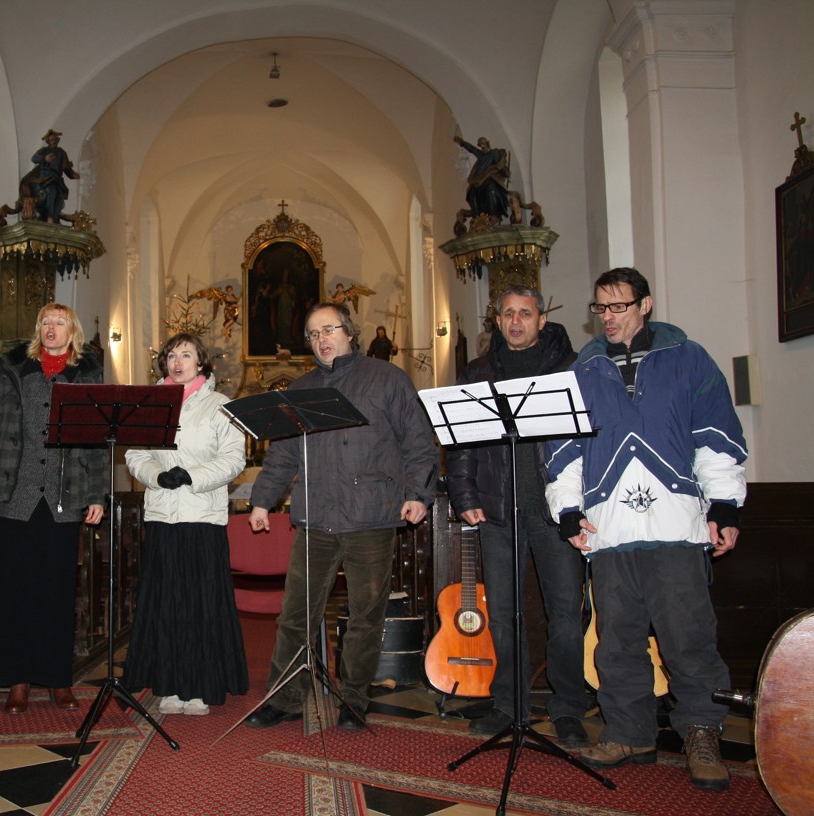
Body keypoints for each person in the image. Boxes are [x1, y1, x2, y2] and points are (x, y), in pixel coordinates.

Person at [545, 268, 747, 792]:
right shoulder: (583, 370)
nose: (608, 318)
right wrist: (568, 510)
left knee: (689, 638)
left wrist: (724, 507)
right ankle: (628, 730)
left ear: (646, 304)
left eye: (619, 307)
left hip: (676, 523)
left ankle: (702, 730)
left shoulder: (688, 359)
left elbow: (716, 434)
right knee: (617, 640)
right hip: (609, 528)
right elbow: (563, 452)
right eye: (601, 308)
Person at [244, 301, 438, 731]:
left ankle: (353, 698)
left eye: (328, 329)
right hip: (316, 517)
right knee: (296, 614)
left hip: (371, 515)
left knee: (365, 615)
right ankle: (287, 697)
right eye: (313, 334)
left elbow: (419, 442)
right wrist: (262, 501)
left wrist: (420, 494)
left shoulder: (388, 379)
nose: (321, 339)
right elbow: (283, 453)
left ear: (349, 332)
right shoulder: (301, 389)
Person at [446, 286, 588, 746]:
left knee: (565, 614)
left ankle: (568, 708)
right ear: (498, 320)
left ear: (541, 319)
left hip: (555, 512)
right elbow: (462, 442)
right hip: (498, 510)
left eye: (525, 313)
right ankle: (509, 705)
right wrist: (464, 493)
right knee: (505, 614)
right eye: (508, 313)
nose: (515, 321)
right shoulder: (478, 371)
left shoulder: (572, 366)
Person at [0, 303, 106, 714]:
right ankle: (18, 680)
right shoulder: (13, 366)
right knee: (15, 592)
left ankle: (58, 679)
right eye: (45, 321)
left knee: (57, 593)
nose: (51, 327)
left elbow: (98, 440)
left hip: (65, 497)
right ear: (38, 328)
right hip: (16, 494)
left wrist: (97, 495)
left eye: (59, 322)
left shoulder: (87, 373)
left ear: (73, 332)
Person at [123, 333, 249, 715]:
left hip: (201, 516)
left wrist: (191, 476)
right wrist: (157, 476)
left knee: (199, 603)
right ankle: (170, 684)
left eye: (187, 355)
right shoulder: (149, 404)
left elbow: (233, 458)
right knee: (167, 603)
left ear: (201, 363)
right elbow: (135, 451)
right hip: (162, 514)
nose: (177, 361)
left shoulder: (219, 405)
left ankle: (198, 685)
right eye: (172, 355)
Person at [454, 136, 511, 223]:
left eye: (483, 144)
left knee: (490, 189)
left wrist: (504, 171)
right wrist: (461, 142)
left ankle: (493, 214)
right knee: (472, 193)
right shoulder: (481, 155)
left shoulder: (494, 153)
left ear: (487, 143)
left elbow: (500, 165)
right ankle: (477, 216)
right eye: (480, 145)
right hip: (480, 180)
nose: (482, 146)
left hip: (490, 179)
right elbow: (472, 149)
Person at [31, 129, 80, 223]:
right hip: (47, 176)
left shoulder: (61, 152)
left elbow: (65, 167)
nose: (54, 141)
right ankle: (49, 216)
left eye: (55, 140)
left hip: (57, 178)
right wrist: (44, 158)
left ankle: (55, 217)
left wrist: (72, 174)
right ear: (48, 141)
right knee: (51, 191)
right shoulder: (44, 150)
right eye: (52, 140)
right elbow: (34, 158)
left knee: (59, 195)